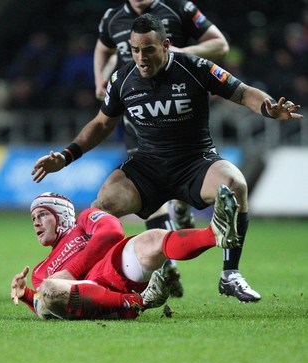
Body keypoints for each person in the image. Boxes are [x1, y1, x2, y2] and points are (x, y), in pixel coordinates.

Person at [31, 14, 303, 303]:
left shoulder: (195, 67)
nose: (141, 57)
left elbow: (242, 92)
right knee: (101, 209)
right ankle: (94, 280)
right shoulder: (123, 79)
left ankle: (230, 274)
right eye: (135, 50)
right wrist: (65, 155)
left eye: (148, 49)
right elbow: (101, 124)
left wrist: (267, 108)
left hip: (195, 162)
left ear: (166, 45)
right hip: (147, 167)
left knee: (235, 184)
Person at [94, 0, 230, 297]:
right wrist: (99, 77)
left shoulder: (180, 9)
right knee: (148, 195)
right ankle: (166, 268)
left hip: (179, 118)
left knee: (171, 180)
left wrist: (183, 54)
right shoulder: (112, 18)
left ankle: (178, 213)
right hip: (138, 116)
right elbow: (103, 47)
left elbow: (219, 44)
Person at [11, 186, 239, 320]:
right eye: (33, 219)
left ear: (61, 215)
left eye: (42, 215)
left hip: (111, 268)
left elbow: (111, 232)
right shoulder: (40, 271)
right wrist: (27, 296)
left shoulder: (84, 220)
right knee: (49, 288)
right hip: (89, 299)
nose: (36, 223)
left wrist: (71, 271)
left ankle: (215, 234)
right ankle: (135, 302)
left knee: (152, 238)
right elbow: (47, 307)